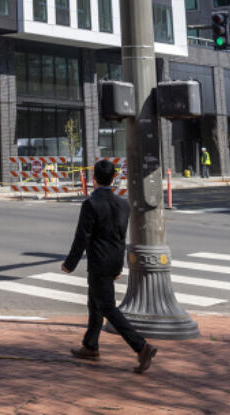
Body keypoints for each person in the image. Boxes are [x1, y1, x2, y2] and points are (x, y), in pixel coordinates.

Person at [61, 159, 158, 374]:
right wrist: (118, 266)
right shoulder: (122, 204)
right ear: (114, 178)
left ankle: (141, 346)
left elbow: (82, 237)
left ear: (93, 178)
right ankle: (90, 345)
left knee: (107, 307)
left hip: (98, 262)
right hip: (113, 261)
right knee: (95, 302)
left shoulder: (90, 204)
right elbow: (120, 238)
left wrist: (69, 264)